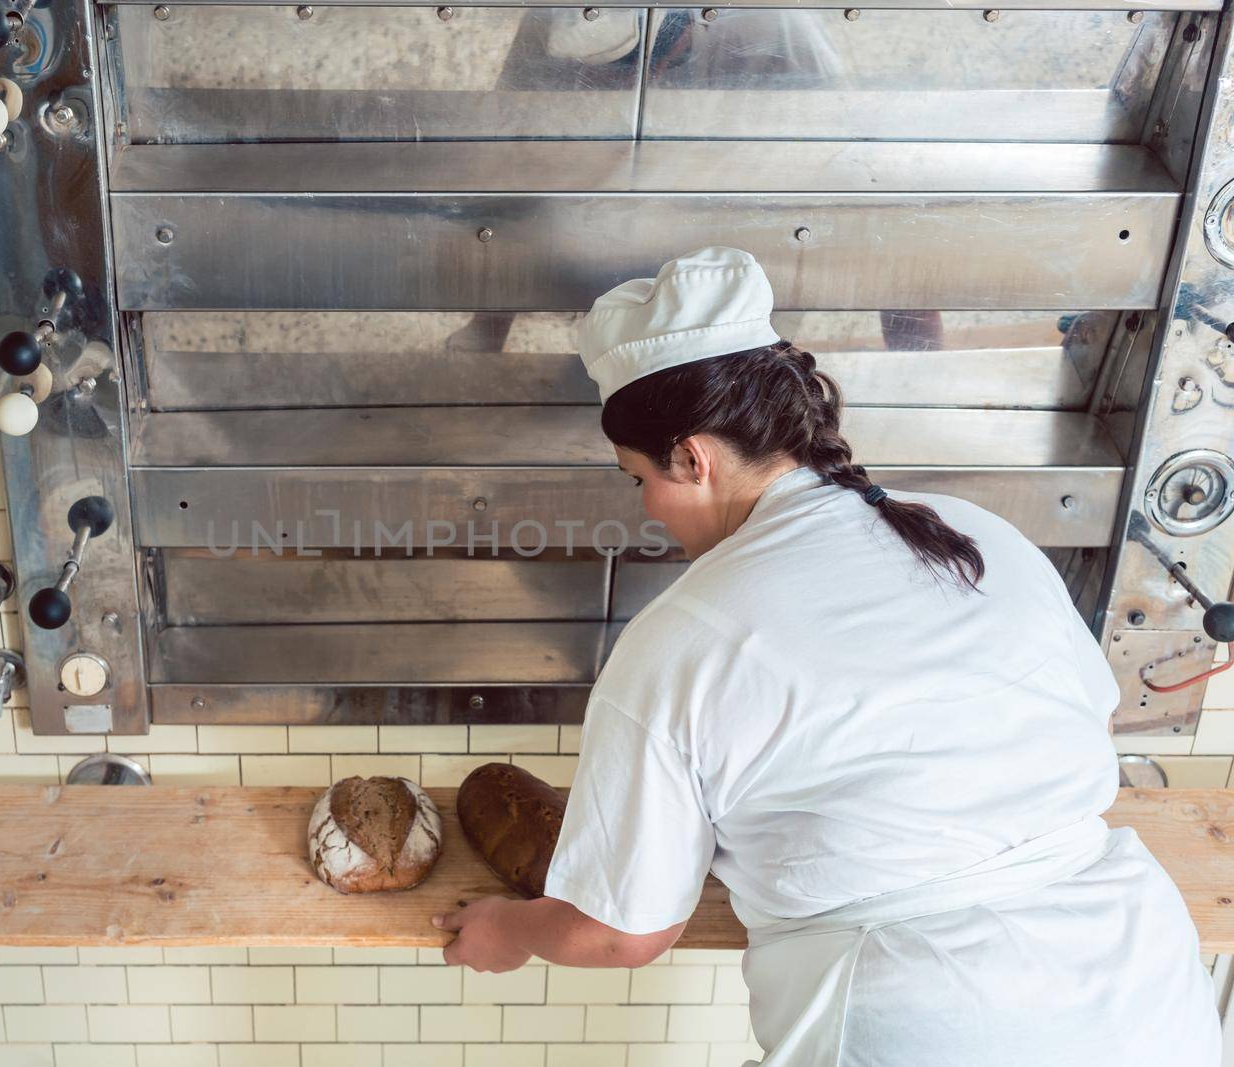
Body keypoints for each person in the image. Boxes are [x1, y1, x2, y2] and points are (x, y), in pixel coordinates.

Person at [432, 247, 1220, 1066]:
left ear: (694, 457)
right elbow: (1085, 716)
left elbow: (622, 931)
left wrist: (509, 930)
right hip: (1142, 983)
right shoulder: (978, 534)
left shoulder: (679, 639)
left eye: (640, 479)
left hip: (929, 1019)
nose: (649, 508)